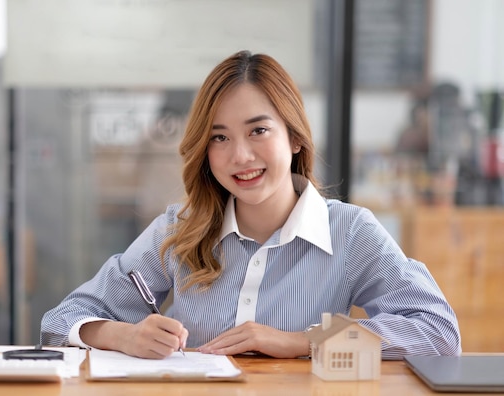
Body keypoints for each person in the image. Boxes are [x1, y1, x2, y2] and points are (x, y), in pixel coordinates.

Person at [40, 50, 461, 360]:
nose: (240, 156)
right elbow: (62, 321)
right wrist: (122, 335)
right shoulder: (180, 229)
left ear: (294, 138)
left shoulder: (350, 233)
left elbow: (439, 332)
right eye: (219, 137)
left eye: (258, 130)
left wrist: (302, 341)